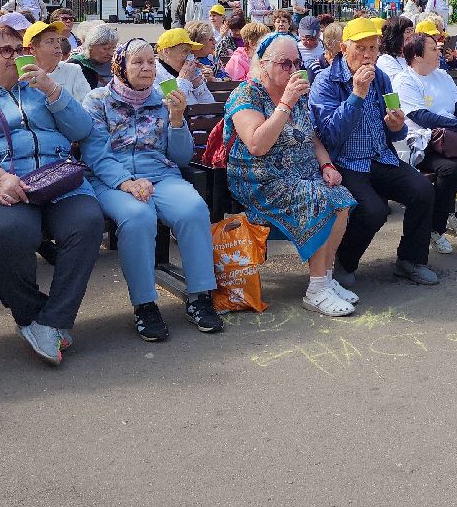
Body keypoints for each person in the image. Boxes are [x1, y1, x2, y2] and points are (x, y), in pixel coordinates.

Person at [0, 22, 104, 365]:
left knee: (87, 222)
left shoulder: (41, 89)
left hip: (56, 178)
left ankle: (53, 320)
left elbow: (83, 129)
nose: (15, 57)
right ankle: (32, 314)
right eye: (5, 50)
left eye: (20, 49)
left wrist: (55, 93)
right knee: (10, 230)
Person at [81, 39, 223, 339]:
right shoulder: (97, 100)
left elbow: (182, 157)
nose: (146, 68)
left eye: (150, 62)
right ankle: (145, 304)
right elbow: (94, 153)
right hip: (112, 181)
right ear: (121, 65)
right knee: (138, 217)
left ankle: (200, 295)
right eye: (137, 62)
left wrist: (176, 120)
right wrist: (126, 182)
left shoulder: (163, 98)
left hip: (160, 175)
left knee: (194, 208)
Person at [226, 32, 356, 315]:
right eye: (285, 63)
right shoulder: (246, 94)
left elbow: (312, 138)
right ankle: (316, 290)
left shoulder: (295, 94)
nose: (293, 69)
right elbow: (257, 144)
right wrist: (284, 104)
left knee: (341, 198)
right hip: (261, 179)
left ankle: (326, 279)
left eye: (297, 62)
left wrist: (326, 165)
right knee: (324, 200)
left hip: (300, 173)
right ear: (263, 64)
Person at [310, 17, 438, 286]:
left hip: (381, 156)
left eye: (373, 48)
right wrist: (356, 94)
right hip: (345, 162)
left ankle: (410, 260)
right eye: (361, 48)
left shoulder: (381, 77)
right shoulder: (325, 82)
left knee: (422, 191)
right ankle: (344, 262)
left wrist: (397, 125)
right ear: (344, 49)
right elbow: (328, 135)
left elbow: (396, 129)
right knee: (373, 210)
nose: (368, 55)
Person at [394, 31, 457, 253]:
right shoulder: (405, 80)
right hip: (425, 142)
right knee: (451, 170)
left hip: (454, 140)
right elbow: (421, 116)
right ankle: (435, 229)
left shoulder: (443, 76)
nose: (439, 51)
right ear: (418, 55)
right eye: (433, 48)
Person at [23, 19, 91, 104]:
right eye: (50, 42)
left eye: (58, 40)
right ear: (32, 48)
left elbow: (86, 106)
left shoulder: (73, 70)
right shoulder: (24, 76)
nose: (57, 46)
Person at [155, 27, 212, 106]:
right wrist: (183, 79)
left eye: (191, 52)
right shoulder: (155, 75)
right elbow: (171, 107)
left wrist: (198, 85)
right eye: (185, 51)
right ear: (166, 52)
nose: (190, 57)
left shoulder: (189, 74)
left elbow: (211, 112)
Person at [68, 20, 117, 89]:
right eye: (105, 48)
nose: (111, 53)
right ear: (90, 45)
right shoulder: (76, 65)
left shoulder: (116, 62)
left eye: (113, 48)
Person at [376, 15, 415, 80]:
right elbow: (401, 84)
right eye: (408, 32)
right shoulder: (386, 60)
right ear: (396, 36)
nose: (412, 35)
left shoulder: (411, 56)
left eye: (412, 31)